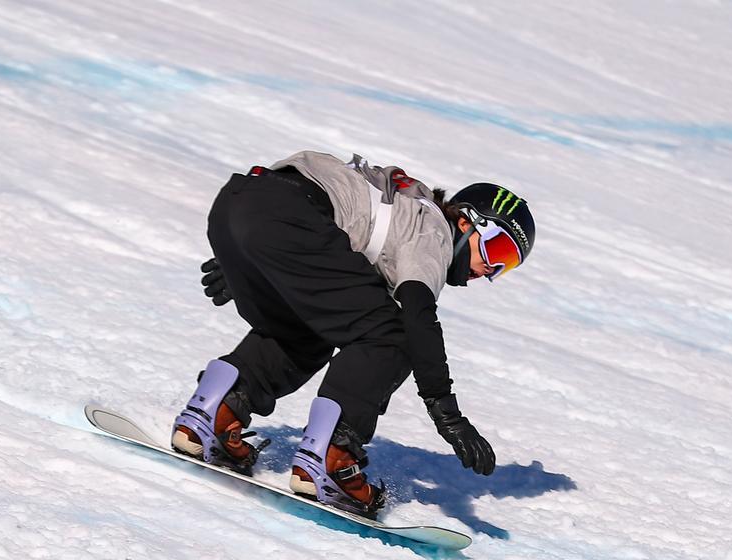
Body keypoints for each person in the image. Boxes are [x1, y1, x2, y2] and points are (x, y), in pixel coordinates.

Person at [170, 151, 536, 517]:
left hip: (238, 202)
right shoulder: (433, 229)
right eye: (496, 247)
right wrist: (446, 412)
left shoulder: (400, 201)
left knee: (309, 329)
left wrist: (254, 254)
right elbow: (418, 318)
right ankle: (330, 459)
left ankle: (212, 413)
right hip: (288, 218)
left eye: (505, 266)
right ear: (465, 222)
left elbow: (322, 199)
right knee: (393, 334)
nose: (489, 268)